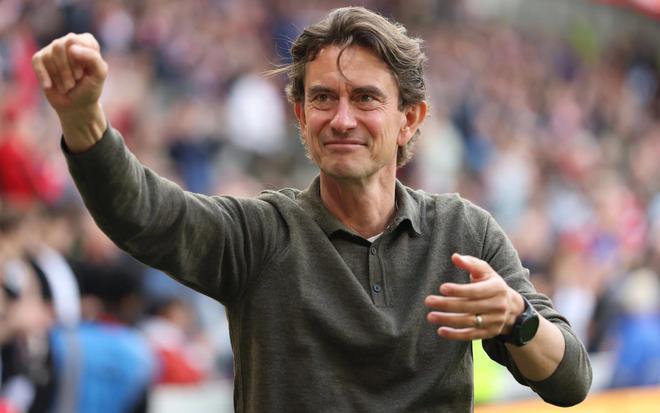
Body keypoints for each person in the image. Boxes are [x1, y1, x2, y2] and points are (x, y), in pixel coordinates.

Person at [31, 6, 592, 412]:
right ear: (300, 117)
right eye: (323, 97)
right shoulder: (260, 235)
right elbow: (143, 213)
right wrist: (83, 118)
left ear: (410, 119)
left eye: (366, 98)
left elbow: (570, 381)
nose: (342, 119)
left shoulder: (463, 231)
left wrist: (517, 319)